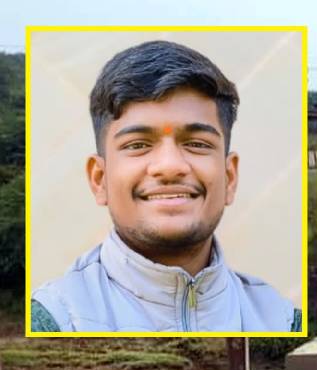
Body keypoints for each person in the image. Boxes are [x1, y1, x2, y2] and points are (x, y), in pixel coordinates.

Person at [30, 40, 299, 332]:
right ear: (99, 179)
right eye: (138, 145)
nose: (170, 166)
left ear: (230, 177)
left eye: (197, 144)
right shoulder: (57, 318)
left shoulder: (281, 319)